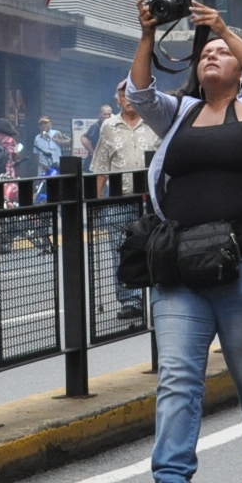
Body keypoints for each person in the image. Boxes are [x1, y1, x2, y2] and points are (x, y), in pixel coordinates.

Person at [128, 0, 242, 483]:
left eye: (222, 52)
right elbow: (138, 95)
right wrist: (148, 36)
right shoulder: (178, 116)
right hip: (182, 272)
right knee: (177, 377)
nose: (212, 57)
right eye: (205, 54)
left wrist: (221, 26)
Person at [89, 82, 158, 324]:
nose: (128, 98)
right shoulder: (108, 126)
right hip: (119, 201)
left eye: (132, 94)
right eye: (123, 94)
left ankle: (158, 297)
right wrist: (96, 205)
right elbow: (100, 167)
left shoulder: (154, 121)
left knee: (156, 248)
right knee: (121, 250)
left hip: (152, 202)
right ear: (118, 99)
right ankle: (131, 301)